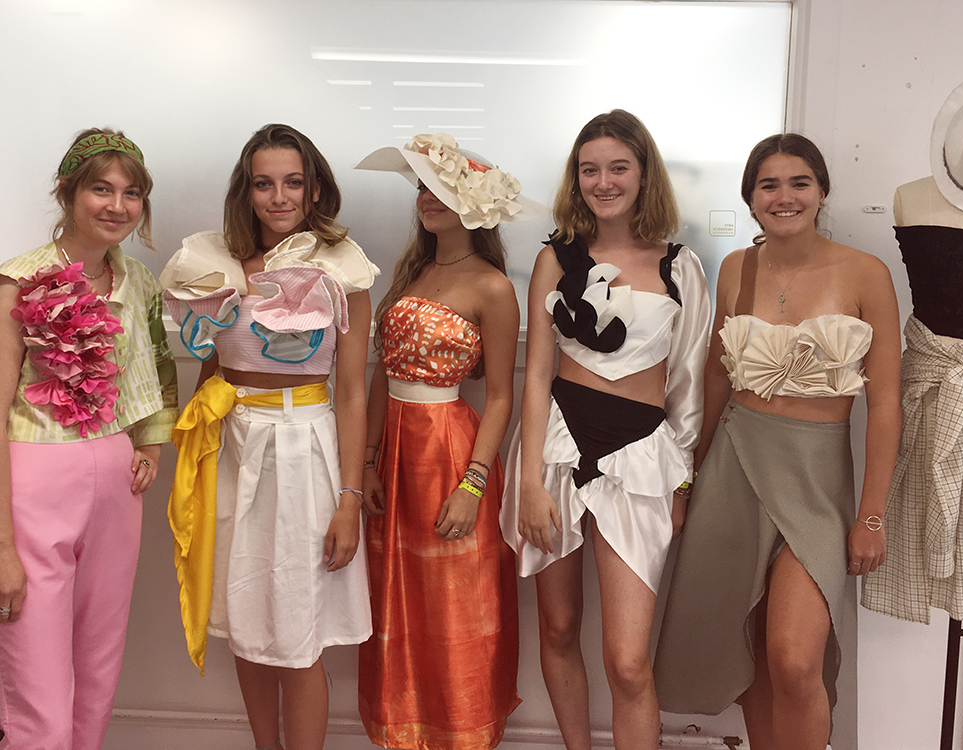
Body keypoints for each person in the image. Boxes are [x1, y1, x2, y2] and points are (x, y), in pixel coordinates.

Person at [654, 133, 901, 750]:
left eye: (799, 183)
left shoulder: (866, 273)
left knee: (794, 658)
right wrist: (686, 479)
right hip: (733, 468)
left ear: (821, 192)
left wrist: (872, 515)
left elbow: (886, 404)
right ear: (751, 197)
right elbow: (715, 379)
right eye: (768, 185)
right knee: (747, 649)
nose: (784, 196)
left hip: (817, 479)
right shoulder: (736, 266)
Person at [161, 123, 378, 750]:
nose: (279, 197)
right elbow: (211, 367)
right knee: (245, 619)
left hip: (305, 450)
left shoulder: (343, 269)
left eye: (293, 182)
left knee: (298, 628)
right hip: (232, 449)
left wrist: (349, 499)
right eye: (264, 184)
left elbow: (353, 392)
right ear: (246, 190)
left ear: (315, 190)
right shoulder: (217, 267)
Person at [501, 109, 712, 750]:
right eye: (589, 170)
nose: (604, 182)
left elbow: (690, 383)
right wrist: (529, 483)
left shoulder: (681, 267)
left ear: (644, 174)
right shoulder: (553, 259)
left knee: (628, 661)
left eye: (618, 167)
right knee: (559, 628)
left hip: (643, 459)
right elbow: (536, 375)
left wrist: (682, 484)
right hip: (556, 449)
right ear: (576, 179)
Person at [354, 133, 545, 750]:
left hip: (451, 453)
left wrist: (474, 483)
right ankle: (404, 730)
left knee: (456, 605)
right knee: (397, 601)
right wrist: (368, 459)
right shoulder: (411, 270)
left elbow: (502, 396)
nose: (427, 197)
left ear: (474, 203)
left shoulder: (493, 287)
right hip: (396, 455)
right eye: (421, 187)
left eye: (442, 187)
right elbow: (381, 374)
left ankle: (463, 733)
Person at [0, 128, 179, 750]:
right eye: (102, 189)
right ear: (68, 192)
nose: (117, 206)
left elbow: (157, 367)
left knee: (99, 666)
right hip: (34, 479)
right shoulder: (18, 281)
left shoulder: (141, 283)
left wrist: (150, 442)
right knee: (36, 680)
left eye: (132, 193)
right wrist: (1, 545)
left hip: (115, 483)